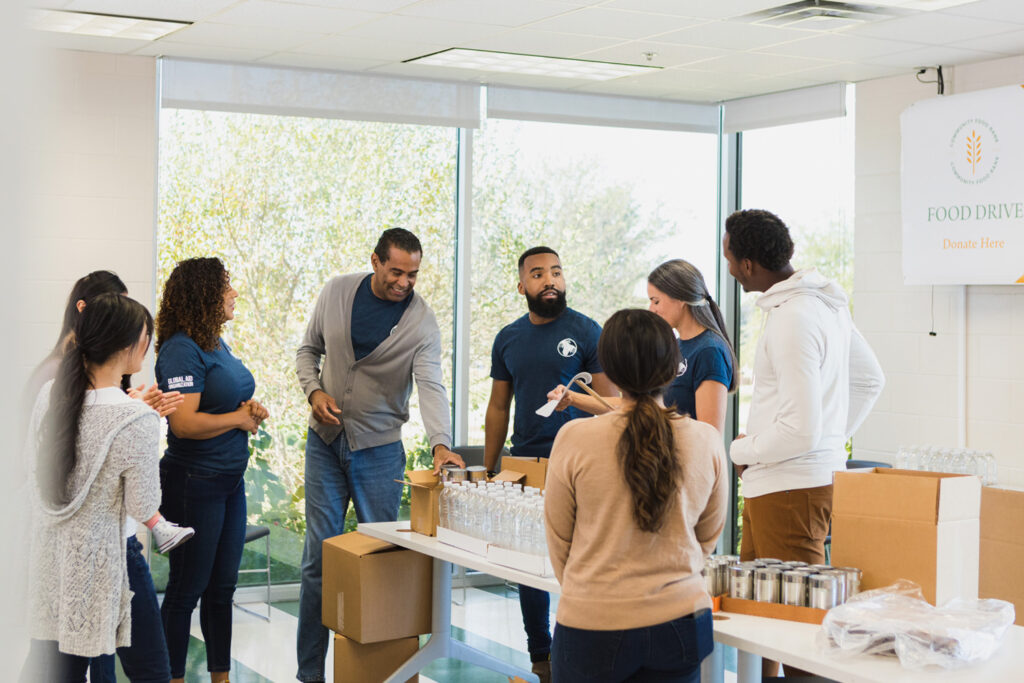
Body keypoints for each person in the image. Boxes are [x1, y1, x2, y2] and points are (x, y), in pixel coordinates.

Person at [294, 227, 464, 683]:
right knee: (318, 560)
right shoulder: (335, 292)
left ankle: (380, 671)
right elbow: (308, 351)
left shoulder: (422, 323)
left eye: (413, 274)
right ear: (375, 260)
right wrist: (313, 392)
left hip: (379, 452)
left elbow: (431, 386)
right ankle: (308, 674)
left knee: (383, 561)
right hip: (325, 446)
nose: (405, 282)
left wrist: (440, 444)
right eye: (396, 271)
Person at [723, 209, 884, 677]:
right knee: (762, 615)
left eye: (730, 258)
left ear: (749, 265)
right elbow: (870, 381)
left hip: (788, 487)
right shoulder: (825, 304)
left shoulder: (794, 317)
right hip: (781, 482)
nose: (729, 268)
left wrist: (742, 450)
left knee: (802, 636)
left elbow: (800, 430)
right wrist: (830, 443)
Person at [545, 309, 728, 683]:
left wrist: (591, 589)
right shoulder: (705, 439)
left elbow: (559, 536)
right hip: (681, 621)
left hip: (592, 623)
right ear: (674, 366)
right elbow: (708, 535)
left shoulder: (575, 438)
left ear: (609, 370)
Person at [22, 271, 188, 683]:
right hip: (110, 556)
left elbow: (34, 468)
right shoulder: (136, 418)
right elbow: (142, 505)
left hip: (52, 556)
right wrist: (149, 420)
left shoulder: (50, 397)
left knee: (56, 670)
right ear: (131, 345)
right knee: (152, 671)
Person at [483, 246, 616, 683]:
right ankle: (541, 658)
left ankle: (579, 654)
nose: (550, 281)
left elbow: (612, 404)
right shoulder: (508, 338)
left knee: (576, 560)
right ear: (522, 286)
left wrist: (574, 400)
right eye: (538, 274)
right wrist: (489, 468)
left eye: (556, 272)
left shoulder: (587, 331)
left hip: (578, 461)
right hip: (525, 462)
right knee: (529, 565)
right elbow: (498, 406)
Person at [155, 257, 268, 683]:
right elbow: (183, 424)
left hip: (228, 483)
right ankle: (173, 677)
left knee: (222, 590)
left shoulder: (215, 343)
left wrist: (248, 409)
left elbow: (221, 400)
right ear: (204, 294)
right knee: (187, 590)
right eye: (226, 287)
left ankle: (221, 677)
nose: (234, 293)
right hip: (193, 484)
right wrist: (237, 420)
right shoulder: (181, 348)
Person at [547, 258, 736, 433]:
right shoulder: (676, 346)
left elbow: (710, 435)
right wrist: (572, 398)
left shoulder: (710, 351)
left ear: (680, 299)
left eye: (656, 301)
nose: (651, 309)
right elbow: (635, 405)